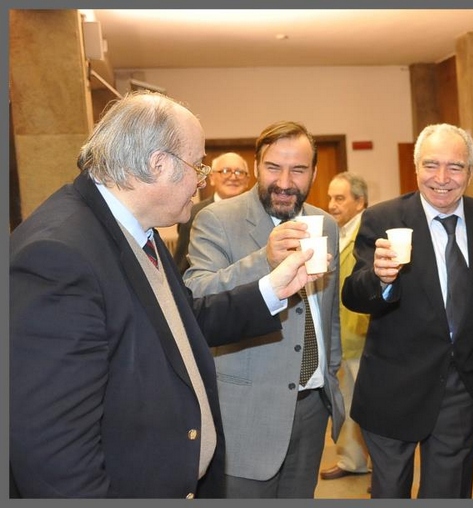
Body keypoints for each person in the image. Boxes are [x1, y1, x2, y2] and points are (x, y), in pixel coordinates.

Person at [9, 91, 318, 498]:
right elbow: (53, 448)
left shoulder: (139, 229)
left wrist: (271, 290)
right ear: (158, 165)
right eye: (198, 165)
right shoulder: (58, 257)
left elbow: (185, 319)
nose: (202, 180)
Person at [342, 123, 473, 499]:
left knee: (448, 493)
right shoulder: (384, 219)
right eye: (431, 165)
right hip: (393, 388)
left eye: (455, 166)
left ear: (470, 172)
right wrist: (381, 280)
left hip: (461, 385)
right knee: (390, 492)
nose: (442, 178)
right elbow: (354, 294)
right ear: (416, 168)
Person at [183, 120, 345, 498]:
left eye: (298, 170)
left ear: (314, 173)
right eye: (274, 167)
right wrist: (264, 260)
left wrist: (328, 372)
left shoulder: (325, 224)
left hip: (310, 406)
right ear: (257, 166)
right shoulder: (216, 220)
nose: (285, 181)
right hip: (247, 411)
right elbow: (197, 294)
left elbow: (327, 312)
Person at [319, 172, 372, 484]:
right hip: (338, 337)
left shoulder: (367, 234)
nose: (332, 205)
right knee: (345, 404)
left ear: (359, 201)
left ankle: (383, 469)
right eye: (330, 197)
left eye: (340, 198)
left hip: (362, 337)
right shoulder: (335, 233)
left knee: (368, 408)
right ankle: (352, 460)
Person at [173, 152, 251, 274]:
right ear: (212, 178)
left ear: (247, 180)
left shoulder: (256, 214)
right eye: (225, 171)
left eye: (239, 172)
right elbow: (181, 265)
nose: (233, 177)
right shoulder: (194, 214)